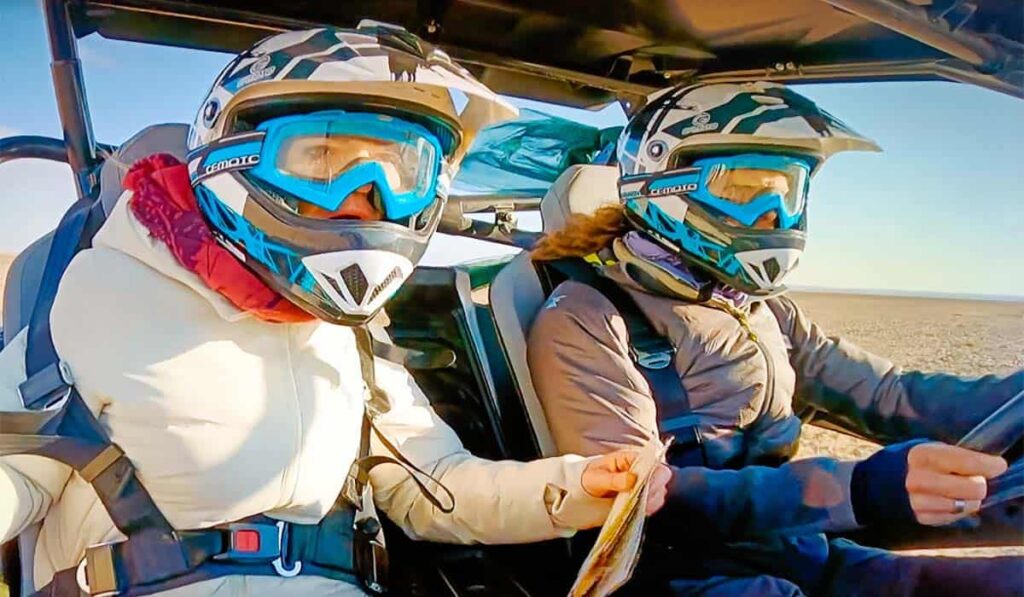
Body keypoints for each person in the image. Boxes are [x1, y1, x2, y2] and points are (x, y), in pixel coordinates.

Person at [0, 23, 664, 596]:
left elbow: (435, 484)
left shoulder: (353, 335)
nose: (364, 201)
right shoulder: (99, 295)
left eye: (399, 174)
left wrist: (580, 487)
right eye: (324, 161)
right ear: (239, 153)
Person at [527, 82, 1023, 596]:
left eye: (788, 193)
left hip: (790, 542)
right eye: (746, 191)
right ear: (666, 183)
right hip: (680, 568)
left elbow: (888, 395)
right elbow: (635, 503)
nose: (774, 216)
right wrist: (857, 488)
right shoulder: (586, 318)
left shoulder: (761, 310)